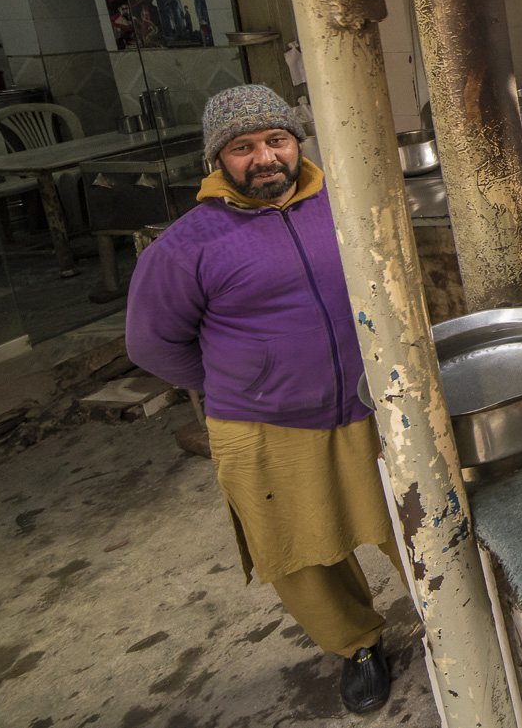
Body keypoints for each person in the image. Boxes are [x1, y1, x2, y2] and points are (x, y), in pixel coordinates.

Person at [126, 85, 399, 715]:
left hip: (372, 404)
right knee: (301, 553)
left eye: (275, 140)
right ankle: (358, 644)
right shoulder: (187, 245)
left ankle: (453, 619)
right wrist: (244, 378)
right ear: (217, 160)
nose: (263, 157)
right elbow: (151, 345)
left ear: (296, 142)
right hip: (264, 425)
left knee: (413, 522)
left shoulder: (344, 204)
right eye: (242, 147)